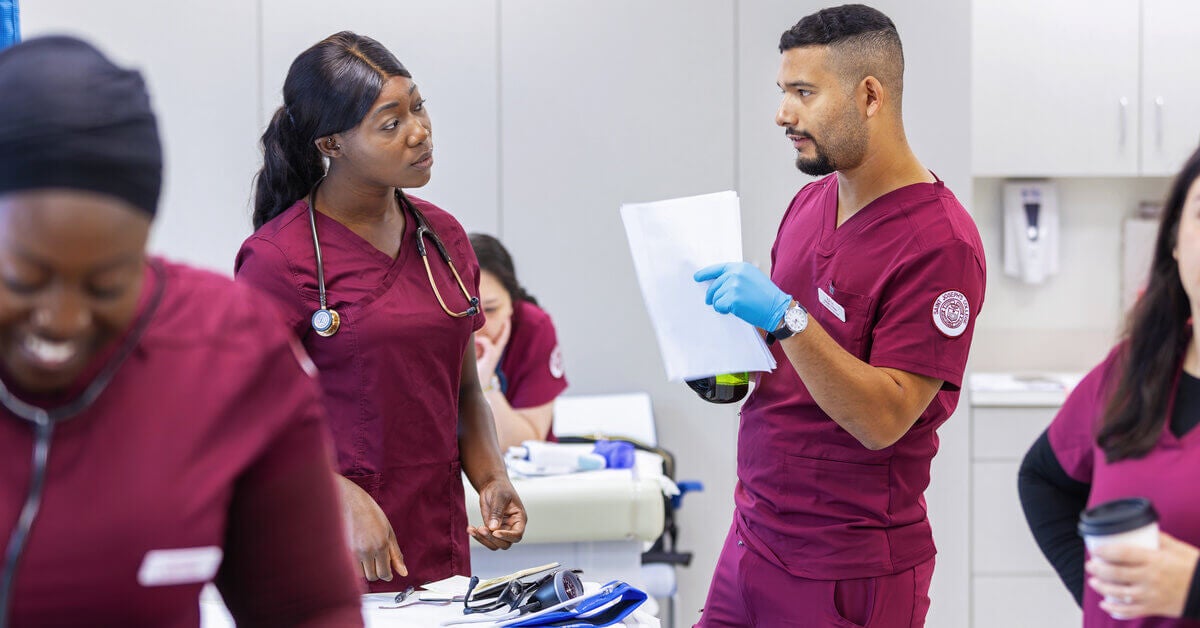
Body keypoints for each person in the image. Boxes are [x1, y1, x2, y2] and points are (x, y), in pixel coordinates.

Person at [0, 36, 362, 626]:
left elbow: (309, 611)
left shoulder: (230, 352)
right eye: (23, 280)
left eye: (106, 285)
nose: (61, 320)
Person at [691, 5, 986, 626]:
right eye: (782, 92)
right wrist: (733, 361)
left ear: (870, 96)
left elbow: (884, 418)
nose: (783, 114)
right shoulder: (809, 202)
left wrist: (785, 317)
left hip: (847, 570)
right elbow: (792, 360)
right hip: (753, 539)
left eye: (803, 92)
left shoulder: (941, 244)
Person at [235, 32, 526, 592]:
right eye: (390, 124)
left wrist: (491, 477)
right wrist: (335, 495)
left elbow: (464, 391)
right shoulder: (278, 261)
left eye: (417, 106)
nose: (419, 131)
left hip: (436, 540)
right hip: (322, 545)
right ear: (333, 145)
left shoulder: (443, 237)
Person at [1018, 145, 1200, 626]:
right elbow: (1042, 480)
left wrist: (1193, 588)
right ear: (1175, 241)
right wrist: (1099, 601)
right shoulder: (1132, 369)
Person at [468, 233, 568, 451]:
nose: (479, 324)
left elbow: (525, 444)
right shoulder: (427, 332)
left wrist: (486, 384)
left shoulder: (533, 327)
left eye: (492, 309)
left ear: (512, 303)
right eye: (467, 310)